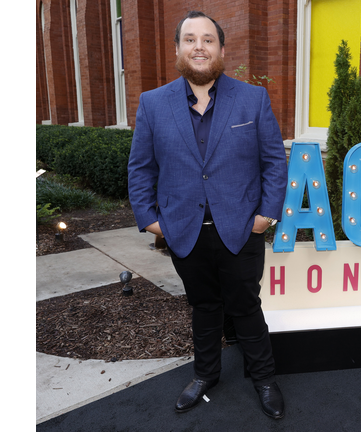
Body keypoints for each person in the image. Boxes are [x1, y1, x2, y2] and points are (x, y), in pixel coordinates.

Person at [127, 11, 288, 419]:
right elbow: (141, 167)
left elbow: (273, 162)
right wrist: (149, 218)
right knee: (202, 306)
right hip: (183, 231)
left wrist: (265, 215)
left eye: (208, 39)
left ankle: (264, 379)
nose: (199, 46)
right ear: (179, 49)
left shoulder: (252, 98)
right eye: (190, 39)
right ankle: (205, 375)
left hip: (240, 230)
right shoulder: (153, 103)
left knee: (246, 307)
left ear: (220, 48)